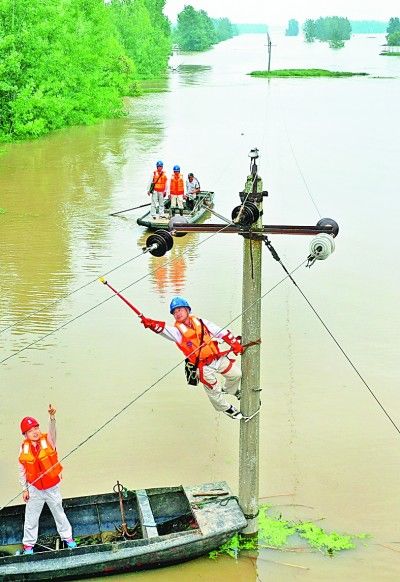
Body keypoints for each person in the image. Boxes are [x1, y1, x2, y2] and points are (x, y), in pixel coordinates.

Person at [141, 297, 244, 419]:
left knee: (236, 374)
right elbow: (163, 330)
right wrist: (150, 323)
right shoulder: (177, 332)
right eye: (174, 312)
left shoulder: (201, 322)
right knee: (213, 390)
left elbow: (219, 331)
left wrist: (234, 344)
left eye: (179, 309)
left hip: (216, 358)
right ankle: (226, 408)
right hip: (202, 367)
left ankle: (228, 389)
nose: (177, 313)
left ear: (187, 310)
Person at [18, 405, 77, 554]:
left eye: (36, 428)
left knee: (59, 512)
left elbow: (52, 431)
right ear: (25, 434)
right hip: (34, 488)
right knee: (31, 517)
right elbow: (22, 470)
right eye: (30, 431)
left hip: (51, 487)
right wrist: (24, 489)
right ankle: (28, 546)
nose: (35, 432)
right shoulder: (23, 448)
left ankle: (68, 538)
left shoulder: (49, 440)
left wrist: (52, 418)